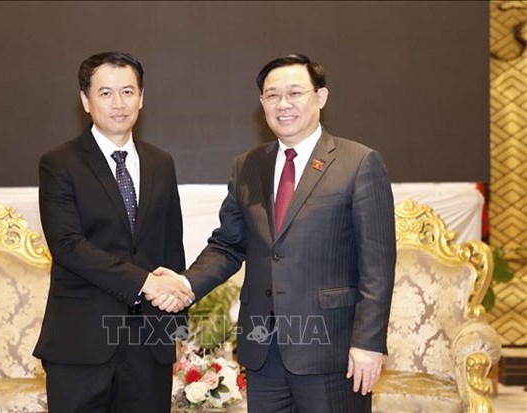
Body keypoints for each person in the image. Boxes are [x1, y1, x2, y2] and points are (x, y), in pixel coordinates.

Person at [151, 53, 396, 412]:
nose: (284, 105)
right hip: (263, 350)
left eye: (295, 93)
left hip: (333, 350)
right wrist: (186, 286)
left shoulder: (358, 163)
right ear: (262, 103)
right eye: (272, 95)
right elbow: (228, 245)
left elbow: (378, 263)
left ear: (320, 97)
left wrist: (369, 343)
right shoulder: (248, 166)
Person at [33, 51, 194, 413]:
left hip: (150, 343)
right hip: (82, 343)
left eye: (127, 91)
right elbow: (68, 246)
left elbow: (172, 249)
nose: (118, 103)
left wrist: (177, 330)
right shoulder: (60, 163)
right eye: (105, 93)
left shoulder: (161, 163)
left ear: (142, 97)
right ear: (85, 101)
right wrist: (144, 282)